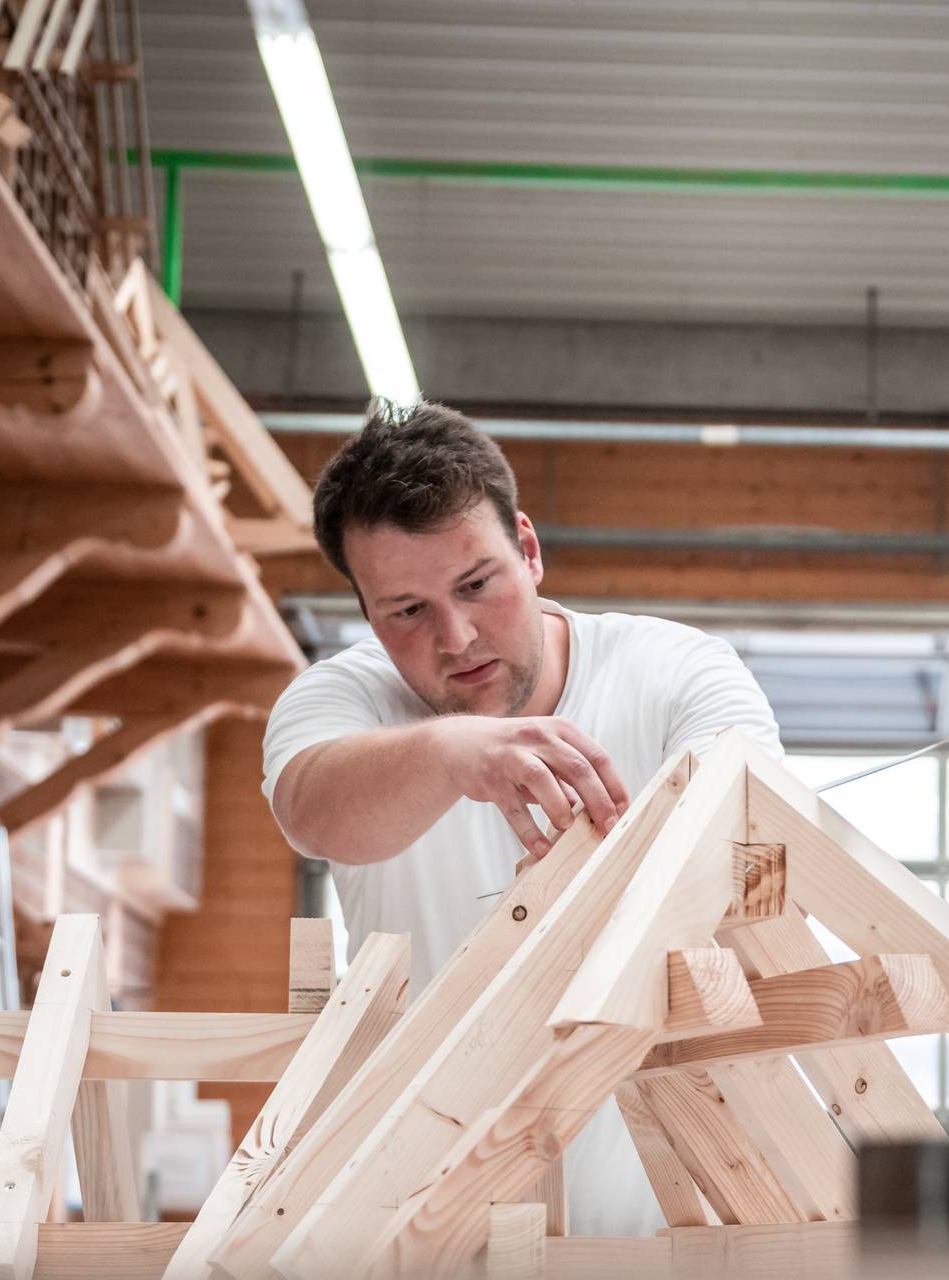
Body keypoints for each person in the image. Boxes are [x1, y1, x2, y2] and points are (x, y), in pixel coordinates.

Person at [260, 402, 782, 1236]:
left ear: (529, 550)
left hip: (671, 1229)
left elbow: (753, 846)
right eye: (407, 611)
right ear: (367, 613)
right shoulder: (344, 698)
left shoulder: (676, 670)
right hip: (416, 1231)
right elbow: (310, 813)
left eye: (477, 585)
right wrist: (450, 750)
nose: (457, 636)